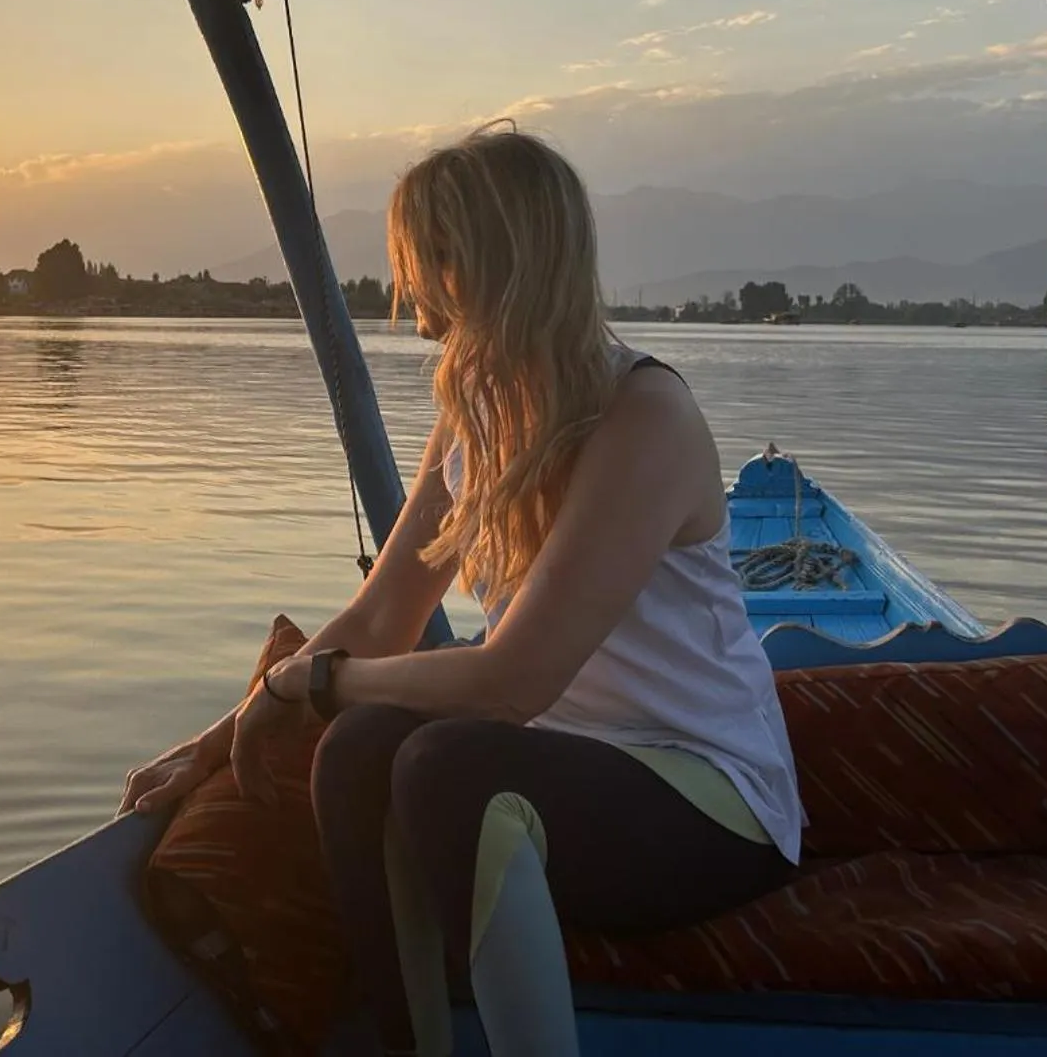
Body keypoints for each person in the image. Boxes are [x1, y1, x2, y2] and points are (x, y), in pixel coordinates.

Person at [121, 125, 801, 1057]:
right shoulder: (477, 414)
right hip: (562, 766)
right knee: (358, 749)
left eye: (439, 258)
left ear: (512, 261)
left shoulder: (645, 415)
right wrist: (212, 742)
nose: (420, 295)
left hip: (710, 799)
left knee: (448, 770)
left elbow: (510, 682)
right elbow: (380, 617)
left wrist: (309, 685)